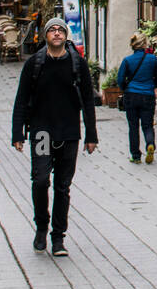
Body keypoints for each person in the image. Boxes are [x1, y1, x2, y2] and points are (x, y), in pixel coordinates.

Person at [11, 18, 98, 257]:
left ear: (66, 35)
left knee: (62, 186)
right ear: (45, 35)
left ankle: (58, 236)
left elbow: (88, 101)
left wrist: (91, 135)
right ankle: (41, 226)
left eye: (61, 30)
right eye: (52, 30)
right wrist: (17, 132)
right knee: (40, 180)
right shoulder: (34, 64)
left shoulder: (77, 64)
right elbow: (21, 98)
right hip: (41, 132)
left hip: (69, 132)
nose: (57, 33)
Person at [117, 32, 157, 164]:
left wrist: (125, 87)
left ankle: (136, 156)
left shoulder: (127, 60)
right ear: (144, 44)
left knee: (133, 126)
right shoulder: (152, 59)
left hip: (131, 95)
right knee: (147, 124)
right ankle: (150, 144)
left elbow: (120, 79)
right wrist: (152, 86)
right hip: (147, 95)